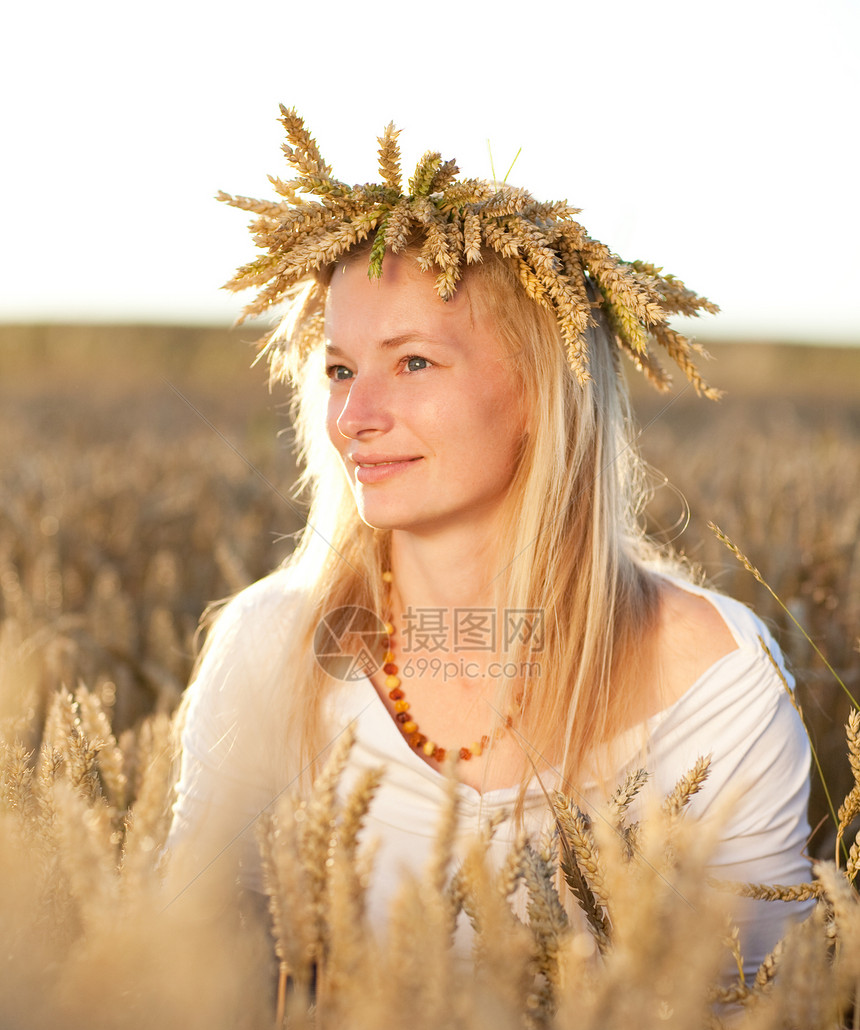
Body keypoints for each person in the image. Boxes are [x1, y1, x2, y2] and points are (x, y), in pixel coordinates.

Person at [165, 109, 813, 979]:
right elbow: (176, 1008)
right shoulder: (276, 649)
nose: (354, 419)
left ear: (543, 388)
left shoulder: (713, 677)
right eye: (341, 368)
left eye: (415, 363)